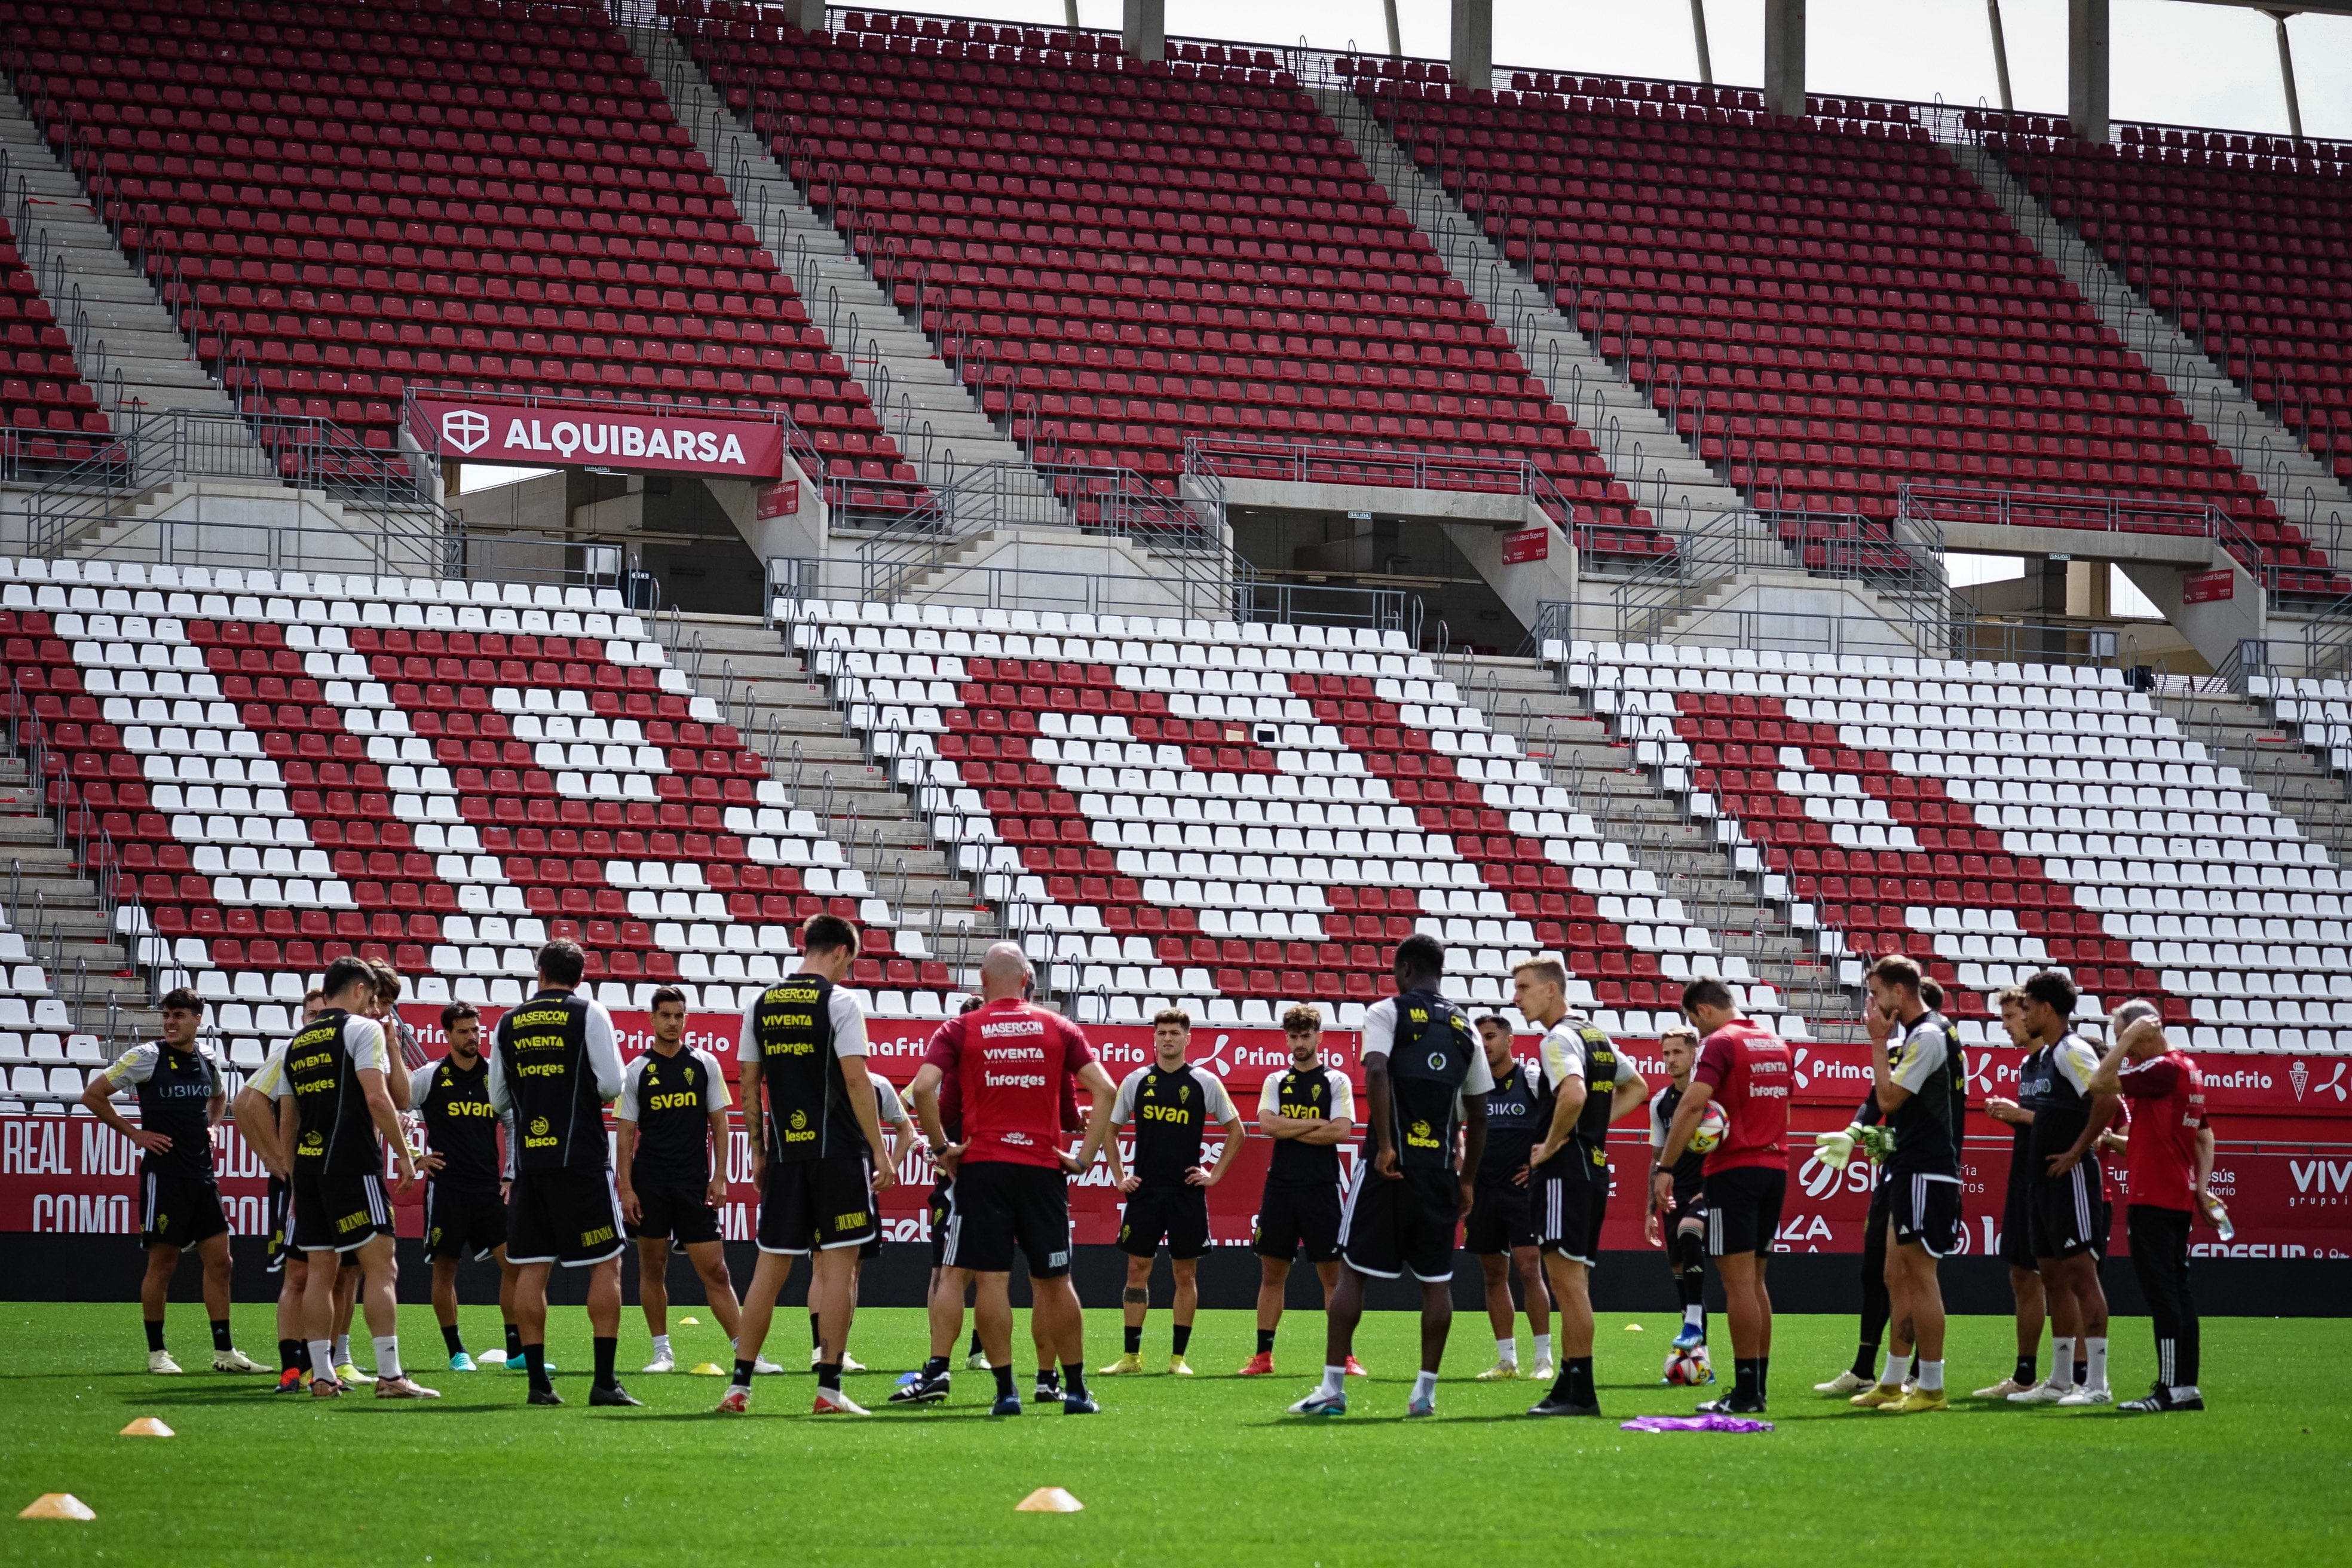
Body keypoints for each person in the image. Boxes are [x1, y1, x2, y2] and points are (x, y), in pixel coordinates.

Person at [901, 941, 1117, 1416]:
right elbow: (1106, 1090)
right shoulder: (1060, 1027)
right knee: (1056, 1281)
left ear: (982, 981)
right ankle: (1076, 1390)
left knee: (992, 1282)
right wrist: (1082, 1158)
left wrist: (941, 1148)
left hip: (984, 1168)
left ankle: (1006, 1392)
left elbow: (920, 1089)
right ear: (1026, 979)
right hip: (1042, 1169)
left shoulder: (961, 1027)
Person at [1290, 934, 1490, 1419]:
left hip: (1388, 1168)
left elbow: (1376, 1071)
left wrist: (1385, 1145)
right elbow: (1480, 1112)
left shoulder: (1387, 1012)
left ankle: (1333, 1388)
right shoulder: (1468, 1028)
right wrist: (1467, 1181)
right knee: (1437, 1283)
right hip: (1440, 1173)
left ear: (1403, 969)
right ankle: (1425, 1394)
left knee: (1353, 1273)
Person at [232, 957, 434, 1399]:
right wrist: (403, 1156)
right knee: (383, 1265)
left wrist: (292, 1179)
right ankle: (390, 1374)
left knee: (321, 1271)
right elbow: (380, 1100)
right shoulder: (362, 1031)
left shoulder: (297, 1042)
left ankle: (321, 1376)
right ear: (360, 989)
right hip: (352, 1164)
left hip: (308, 1170)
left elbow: (289, 1120)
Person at [721, 914, 896, 1416]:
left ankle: (739, 1387)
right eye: (852, 961)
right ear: (841, 951)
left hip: (785, 1155)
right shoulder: (840, 1002)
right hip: (838, 1156)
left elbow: (748, 1084)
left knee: (767, 1273)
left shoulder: (760, 1003)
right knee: (838, 1273)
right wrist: (881, 1151)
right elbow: (859, 1083)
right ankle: (829, 1391)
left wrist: (757, 1152)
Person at [81, 988, 261, 1376]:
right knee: (163, 1265)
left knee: (222, 1262)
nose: (170, 1022)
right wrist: (135, 1134)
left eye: (178, 1015)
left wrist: (213, 1127)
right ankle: (157, 1353)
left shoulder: (207, 1059)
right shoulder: (145, 1058)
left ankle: (224, 1351)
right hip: (164, 1177)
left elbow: (220, 1097)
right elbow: (93, 1095)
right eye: (167, 1016)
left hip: (202, 1177)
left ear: (198, 1018)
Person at [490, 938, 636, 1408]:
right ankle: (604, 1381)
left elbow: (497, 1100)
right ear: (580, 974)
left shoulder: (508, 1022)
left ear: (540, 970)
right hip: (582, 1158)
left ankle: (538, 1384)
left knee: (532, 1269)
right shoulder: (589, 1012)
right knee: (606, 1263)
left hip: (531, 1161)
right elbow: (613, 1084)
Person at [1815, 973, 1965, 1398]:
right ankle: (1892, 1381)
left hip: (1926, 1171)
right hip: (1908, 1169)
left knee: (1920, 1277)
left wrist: (1878, 1043)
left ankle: (1930, 1386)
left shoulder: (1930, 1035)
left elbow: (1887, 1100)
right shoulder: (1926, 1035)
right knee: (1893, 1275)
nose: (1871, 1005)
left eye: (1875, 994)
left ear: (1898, 993)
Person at [1516, 958, 1646, 1418]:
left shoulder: (1557, 1038)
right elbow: (1637, 1088)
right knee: (1577, 1283)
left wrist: (1552, 1144)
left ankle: (1581, 1391)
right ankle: (1570, 1384)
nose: (1517, 997)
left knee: (1568, 1286)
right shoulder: (1596, 1034)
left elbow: (1572, 1094)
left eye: (1524, 987)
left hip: (1565, 1175)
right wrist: (1592, 1131)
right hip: (1593, 1170)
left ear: (1552, 991)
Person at [1656, 976, 1790, 1416]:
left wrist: (1666, 1168)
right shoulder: (1774, 1042)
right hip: (1776, 1167)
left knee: (1736, 1285)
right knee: (1757, 1282)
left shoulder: (1722, 1043)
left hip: (1734, 1172)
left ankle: (1746, 1392)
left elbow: (1693, 1106)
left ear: (1703, 1011)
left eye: (1695, 1023)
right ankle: (1758, 1387)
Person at [615, 987, 761, 1377]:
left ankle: (746, 1354)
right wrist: (625, 1187)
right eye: (666, 1015)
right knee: (652, 1267)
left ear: (686, 1019)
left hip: (694, 1184)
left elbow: (720, 1123)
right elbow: (626, 1133)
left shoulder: (704, 1064)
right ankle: (662, 1352)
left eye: (679, 1015)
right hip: (650, 1183)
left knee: (716, 1270)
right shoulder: (636, 1070)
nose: (673, 1022)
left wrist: (720, 1176)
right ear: (652, 1019)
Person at [1100, 1009, 1244, 1377]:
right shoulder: (1135, 1081)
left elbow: (1237, 1130)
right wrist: (1120, 1177)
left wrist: (1213, 1175)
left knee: (1184, 1274)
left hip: (1185, 1195)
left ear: (1187, 1038)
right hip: (1145, 1193)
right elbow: (1109, 1131)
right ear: (1153, 1038)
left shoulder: (1204, 1081)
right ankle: (1131, 1357)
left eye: (1174, 1033)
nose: (1167, 1038)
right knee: (1137, 1270)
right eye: (1162, 1032)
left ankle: (1178, 1359)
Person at [2090, 1000, 2213, 1414]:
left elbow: (2099, 1082)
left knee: (2164, 1296)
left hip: (2154, 1198)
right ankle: (2186, 1388)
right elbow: (2204, 1138)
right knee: (2179, 1292)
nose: (2124, 1046)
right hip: (2174, 1194)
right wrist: (2202, 1188)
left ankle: (2170, 1390)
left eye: (2124, 1035)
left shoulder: (2161, 1068)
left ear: (2144, 1031)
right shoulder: (2187, 1070)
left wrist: (2125, 1041)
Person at [2004, 969, 2117, 1406]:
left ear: (2047, 1010)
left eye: (2027, 1008)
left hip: (2069, 1181)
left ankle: (2098, 1385)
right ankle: (2060, 1379)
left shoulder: (2072, 1050)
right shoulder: (2038, 1059)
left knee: (2081, 1278)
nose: (2023, 1016)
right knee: (2051, 1277)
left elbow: (2109, 1098)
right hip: (2040, 1181)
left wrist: (2076, 1152)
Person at [1241, 1004, 1361, 1379]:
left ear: (1319, 1037)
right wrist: (1313, 1123)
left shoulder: (1336, 1081)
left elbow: (1341, 1131)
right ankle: (1263, 1356)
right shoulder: (1276, 1080)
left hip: (1322, 1187)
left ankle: (1344, 1357)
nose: (1298, 1043)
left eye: (1305, 1036)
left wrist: (1288, 1126)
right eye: (1292, 1037)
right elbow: (1265, 1126)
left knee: (1332, 1278)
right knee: (1272, 1274)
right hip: (1281, 1186)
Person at [411, 1000, 522, 1373]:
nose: (473, 1037)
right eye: (464, 1031)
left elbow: (511, 1123)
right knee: (445, 1270)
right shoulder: (430, 1076)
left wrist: (509, 1174)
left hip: (488, 1189)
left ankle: (515, 1351)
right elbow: (393, 1109)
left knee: (515, 1268)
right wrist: (413, 1156)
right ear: (448, 1035)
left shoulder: (494, 1076)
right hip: (447, 1189)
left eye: (476, 1030)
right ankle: (457, 1352)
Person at [1463, 1013, 1551, 1383]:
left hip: (1522, 1194)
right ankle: (1507, 1361)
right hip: (1484, 1192)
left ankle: (1544, 1360)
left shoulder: (1531, 1080)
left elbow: (1559, 1122)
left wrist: (1538, 1167)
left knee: (1530, 1270)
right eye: (1480, 1038)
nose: (1485, 1044)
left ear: (1511, 1040)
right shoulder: (1472, 1086)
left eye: (1492, 1036)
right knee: (1492, 1276)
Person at [1973, 985, 2049, 1399]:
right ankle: (2025, 1375)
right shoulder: (2029, 1066)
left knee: (2059, 1277)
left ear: (2033, 1013)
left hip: (2054, 1180)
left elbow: (2079, 1123)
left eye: (2008, 1018)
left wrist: (2020, 1115)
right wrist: (2017, 1117)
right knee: (2022, 1275)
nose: (2004, 1027)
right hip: (2025, 1177)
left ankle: (2077, 1374)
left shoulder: (2062, 1060)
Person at [827, 1066, 915, 1376]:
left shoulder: (878, 1085)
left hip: (860, 1188)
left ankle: (835, 1349)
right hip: (821, 1183)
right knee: (828, 1266)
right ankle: (824, 1350)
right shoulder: (817, 1079)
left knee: (852, 1267)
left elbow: (907, 1130)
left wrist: (889, 1166)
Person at [260, 987, 326, 1391]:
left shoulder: (344, 1045)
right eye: (310, 1014)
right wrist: (280, 1164)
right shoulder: (289, 1053)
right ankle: (292, 1369)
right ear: (302, 1018)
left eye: (323, 1013)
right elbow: (249, 1102)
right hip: (303, 1180)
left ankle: (326, 1366)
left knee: (338, 1277)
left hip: (336, 1177)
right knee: (299, 1275)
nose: (316, 1020)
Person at [1644, 1023, 1710, 1360]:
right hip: (1674, 1195)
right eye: (1666, 1053)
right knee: (1681, 1275)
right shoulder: (1660, 1103)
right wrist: (1649, 1213)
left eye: (1677, 1052)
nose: (1670, 1060)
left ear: (1695, 1051)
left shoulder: (1712, 1097)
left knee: (1690, 1232)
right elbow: (1657, 1162)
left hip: (1710, 1190)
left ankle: (1695, 1322)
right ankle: (1700, 1359)